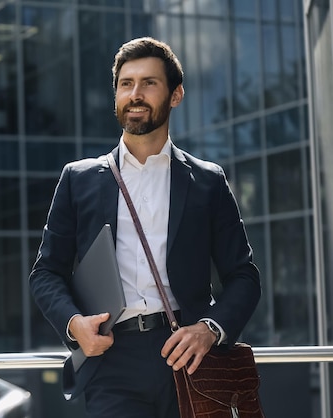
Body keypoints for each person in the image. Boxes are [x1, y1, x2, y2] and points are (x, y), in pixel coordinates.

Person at [29, 37, 261, 418]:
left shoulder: (207, 181)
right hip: (112, 361)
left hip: (189, 358)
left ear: (176, 95)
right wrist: (74, 325)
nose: (135, 94)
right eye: (126, 83)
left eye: (149, 83)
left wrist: (210, 328)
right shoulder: (78, 179)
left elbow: (244, 276)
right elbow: (46, 272)